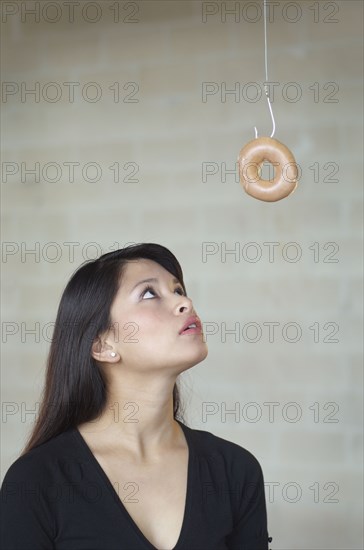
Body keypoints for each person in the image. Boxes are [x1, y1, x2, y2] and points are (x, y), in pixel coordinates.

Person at [0, 243, 272, 549]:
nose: (185, 303)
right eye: (149, 294)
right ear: (102, 346)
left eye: (178, 289)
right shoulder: (36, 482)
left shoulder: (234, 470)